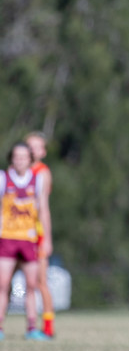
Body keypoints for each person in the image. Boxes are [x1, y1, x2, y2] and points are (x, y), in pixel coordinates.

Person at [0, 142, 51, 340]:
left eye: (24, 157)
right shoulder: (3, 179)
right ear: (11, 158)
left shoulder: (38, 179)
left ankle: (32, 328)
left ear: (30, 159)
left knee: (32, 285)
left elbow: (43, 209)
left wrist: (46, 238)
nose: (20, 160)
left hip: (29, 239)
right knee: (3, 284)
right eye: (17, 157)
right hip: (7, 238)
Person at [25, 131, 55, 337]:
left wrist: (48, 238)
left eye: (37, 146)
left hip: (36, 233)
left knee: (40, 282)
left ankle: (47, 326)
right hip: (16, 232)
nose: (32, 150)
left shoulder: (42, 172)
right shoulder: (17, 172)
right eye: (29, 145)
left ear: (43, 152)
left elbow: (44, 208)